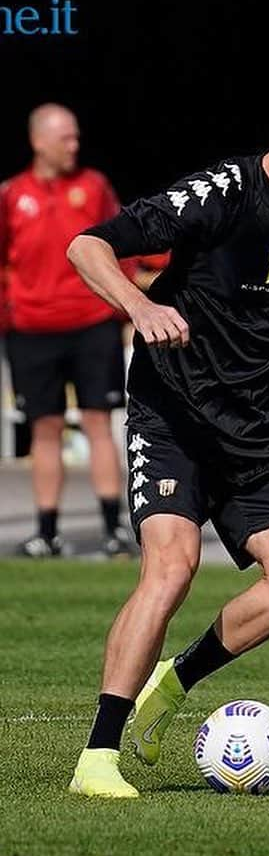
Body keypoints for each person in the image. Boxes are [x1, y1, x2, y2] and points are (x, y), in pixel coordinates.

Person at [64, 83, 269, 798]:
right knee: (171, 566)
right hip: (174, 416)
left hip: (259, 432)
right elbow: (88, 245)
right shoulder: (217, 193)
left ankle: (173, 682)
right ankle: (97, 755)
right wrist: (140, 304)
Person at [0, 104, 135, 558]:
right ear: (39, 141)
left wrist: (125, 306)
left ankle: (114, 529)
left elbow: (124, 243)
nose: (74, 146)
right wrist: (9, 316)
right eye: (65, 138)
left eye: (76, 137)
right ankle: (47, 532)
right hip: (32, 329)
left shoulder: (94, 187)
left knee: (100, 423)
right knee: (45, 428)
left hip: (91, 323)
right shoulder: (12, 195)